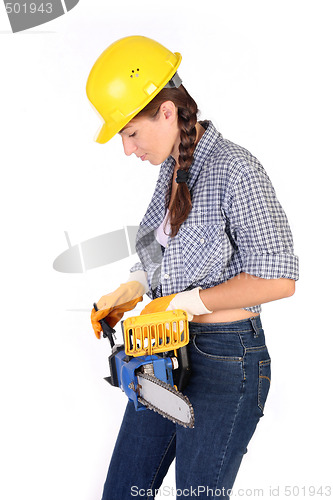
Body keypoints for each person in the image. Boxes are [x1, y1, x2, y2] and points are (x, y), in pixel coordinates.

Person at [87, 36, 299, 500]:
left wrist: (185, 302)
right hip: (165, 353)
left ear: (165, 112)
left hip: (227, 360)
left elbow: (279, 279)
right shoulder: (174, 165)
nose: (127, 150)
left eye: (131, 133)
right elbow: (162, 246)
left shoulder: (236, 170)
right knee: (123, 492)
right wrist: (132, 288)